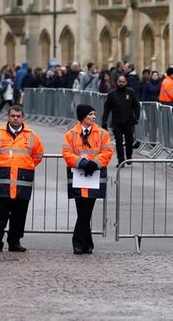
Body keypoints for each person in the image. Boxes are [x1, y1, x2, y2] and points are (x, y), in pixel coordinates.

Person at [0, 105, 44, 252]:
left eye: (18, 116)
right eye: (13, 116)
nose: (15, 118)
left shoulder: (32, 136)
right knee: (0, 213)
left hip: (22, 180)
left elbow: (38, 155)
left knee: (19, 213)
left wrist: (24, 165)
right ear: (8, 117)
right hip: (1, 180)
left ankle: (14, 242)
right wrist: (1, 165)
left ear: (23, 117)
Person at [62, 104, 113, 254]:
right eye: (90, 114)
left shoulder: (102, 134)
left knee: (87, 210)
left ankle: (81, 243)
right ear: (83, 116)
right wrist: (82, 163)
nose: (93, 117)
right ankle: (84, 243)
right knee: (82, 210)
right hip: (78, 175)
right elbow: (67, 152)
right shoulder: (71, 134)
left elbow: (108, 151)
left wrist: (94, 163)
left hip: (94, 175)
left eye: (94, 114)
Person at [102, 75, 141, 165]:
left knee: (129, 141)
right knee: (118, 142)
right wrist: (104, 121)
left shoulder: (130, 92)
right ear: (117, 82)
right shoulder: (112, 94)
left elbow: (136, 106)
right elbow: (107, 109)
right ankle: (121, 160)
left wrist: (136, 118)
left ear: (126, 83)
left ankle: (129, 157)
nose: (121, 83)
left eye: (123, 82)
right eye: (119, 81)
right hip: (117, 122)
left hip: (128, 122)